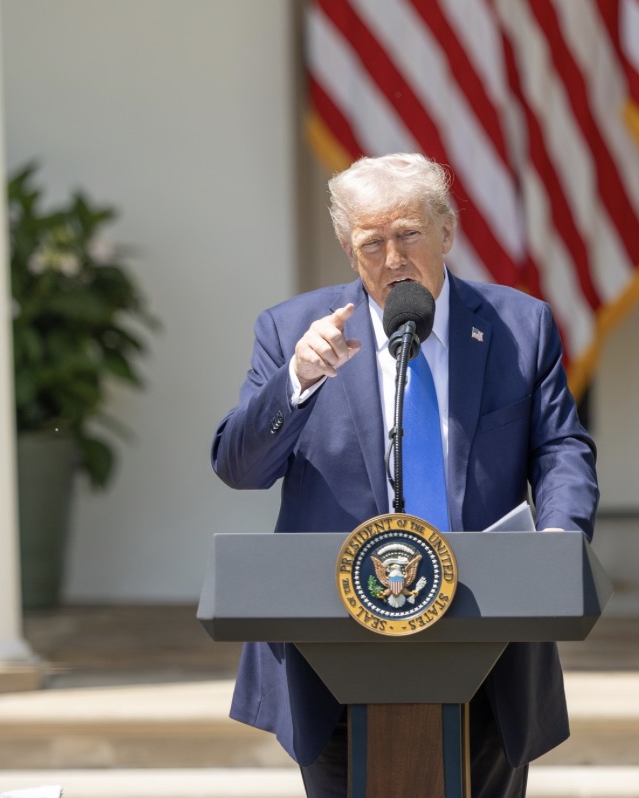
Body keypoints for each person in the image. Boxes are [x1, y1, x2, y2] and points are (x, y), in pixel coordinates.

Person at [210, 152, 598, 798]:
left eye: (408, 235)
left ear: (446, 232)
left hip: (488, 638)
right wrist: (298, 381)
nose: (392, 259)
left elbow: (561, 450)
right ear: (347, 248)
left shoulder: (517, 327)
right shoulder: (291, 333)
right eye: (371, 243)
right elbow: (239, 467)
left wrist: (558, 540)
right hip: (332, 648)